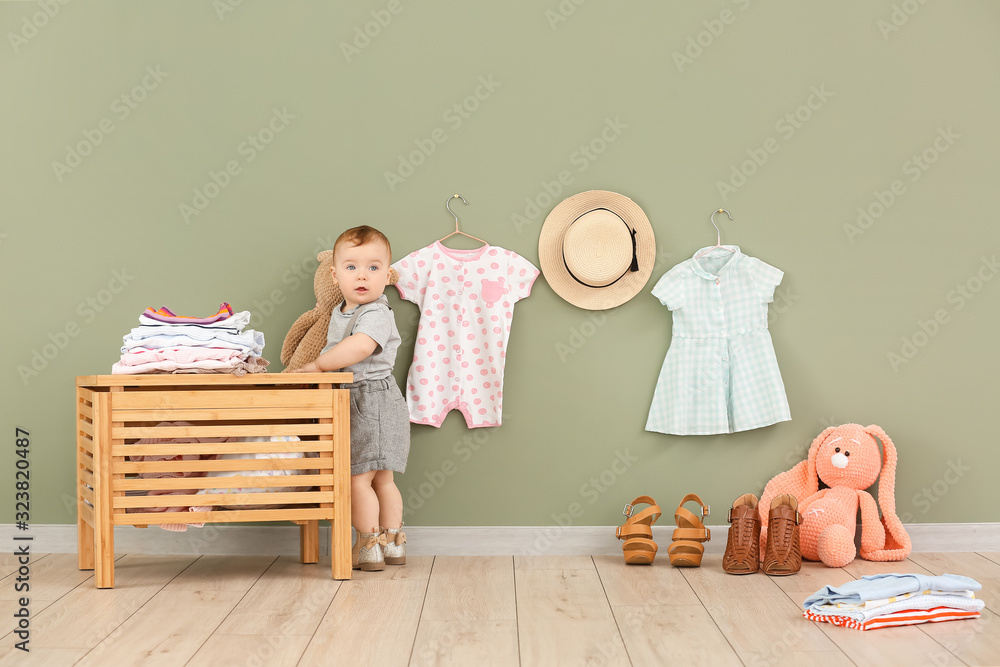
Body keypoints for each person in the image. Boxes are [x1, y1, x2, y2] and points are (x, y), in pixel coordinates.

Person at [293, 225, 409, 571]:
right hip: (367, 400)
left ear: (387, 275)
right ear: (334, 275)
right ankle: (392, 542)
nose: (362, 276)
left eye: (373, 268)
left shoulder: (375, 312)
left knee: (359, 478)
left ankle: (369, 542)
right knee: (381, 478)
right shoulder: (342, 311)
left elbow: (359, 347)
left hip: (370, 400)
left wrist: (317, 366)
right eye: (351, 267)